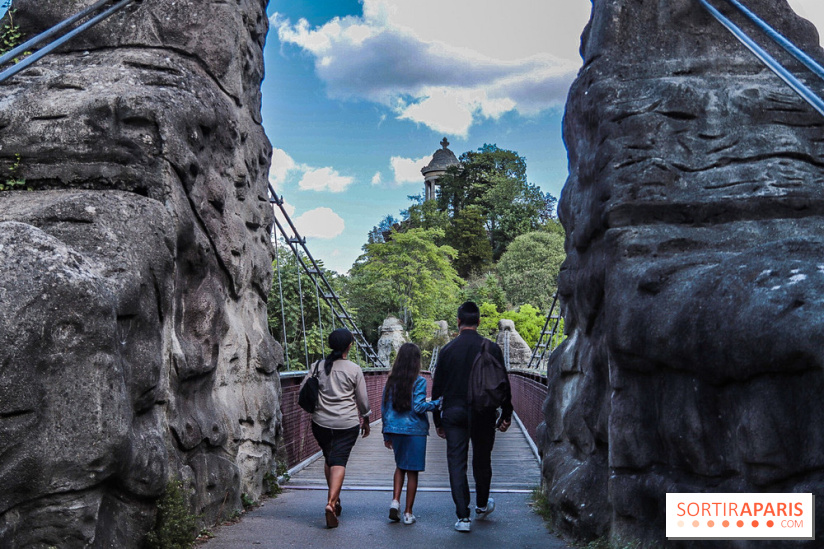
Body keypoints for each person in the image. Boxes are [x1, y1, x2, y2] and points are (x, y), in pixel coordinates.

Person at [432, 301, 513, 532]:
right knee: (482, 459)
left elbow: (436, 390)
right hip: (484, 412)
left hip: (454, 413)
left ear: (458, 321)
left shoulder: (447, 350)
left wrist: (437, 421)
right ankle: (481, 505)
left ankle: (463, 517)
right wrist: (506, 414)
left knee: (457, 463)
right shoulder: (491, 348)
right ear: (478, 321)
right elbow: (503, 383)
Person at [299, 328, 371, 528]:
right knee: (339, 460)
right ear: (349, 346)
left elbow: (303, 389)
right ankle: (331, 503)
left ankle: (335, 499)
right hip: (346, 423)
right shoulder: (354, 369)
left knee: (329, 457)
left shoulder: (317, 366)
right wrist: (366, 419)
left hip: (320, 423)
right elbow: (363, 400)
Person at [381, 343, 441, 525]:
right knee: (413, 471)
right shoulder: (420, 381)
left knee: (400, 466)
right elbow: (419, 407)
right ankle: (408, 513)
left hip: (395, 429)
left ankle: (395, 501)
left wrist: (386, 434)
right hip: (415, 430)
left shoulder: (391, 381)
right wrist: (438, 403)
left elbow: (384, 408)